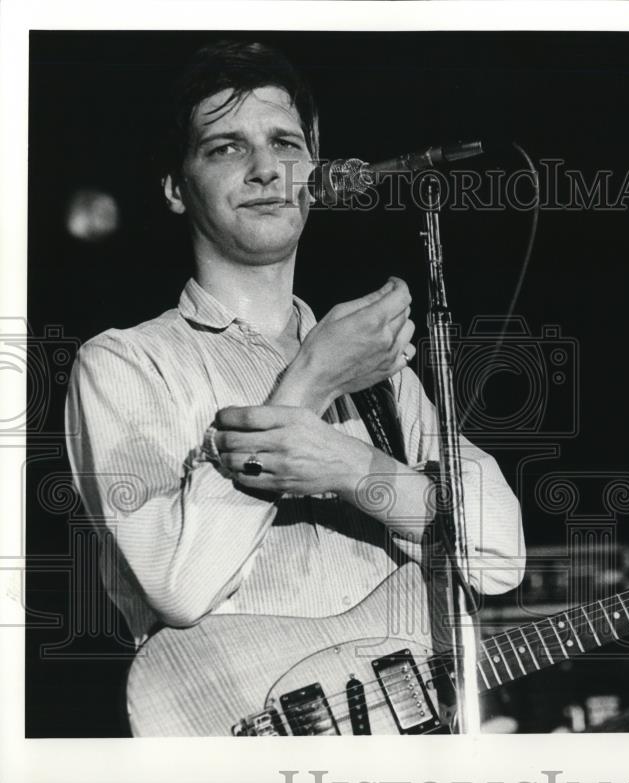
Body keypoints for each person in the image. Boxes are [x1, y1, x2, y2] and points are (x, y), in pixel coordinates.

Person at [64, 40, 525, 648]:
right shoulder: (124, 363)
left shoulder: (376, 368)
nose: (265, 169)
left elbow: (498, 558)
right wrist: (313, 381)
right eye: (227, 147)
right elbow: (179, 584)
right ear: (176, 188)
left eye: (285, 143)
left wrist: (350, 468)